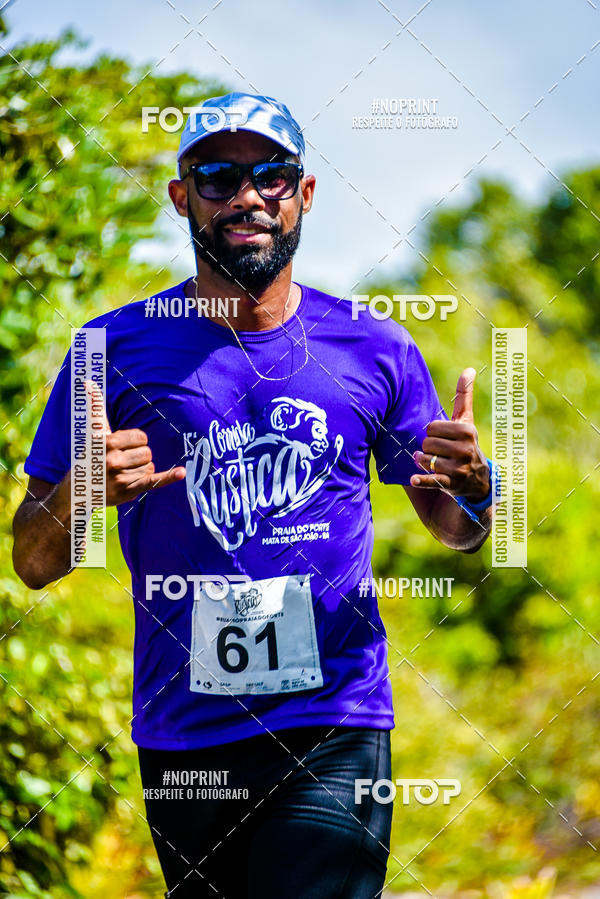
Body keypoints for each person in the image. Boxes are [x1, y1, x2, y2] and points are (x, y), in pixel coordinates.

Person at [13, 92, 498, 898]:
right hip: (184, 731)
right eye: (217, 175)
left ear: (303, 195)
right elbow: (32, 560)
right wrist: (84, 490)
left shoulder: (374, 344)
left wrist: (479, 492)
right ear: (181, 196)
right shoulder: (111, 349)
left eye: (272, 175)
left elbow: (455, 526)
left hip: (334, 718)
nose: (247, 196)